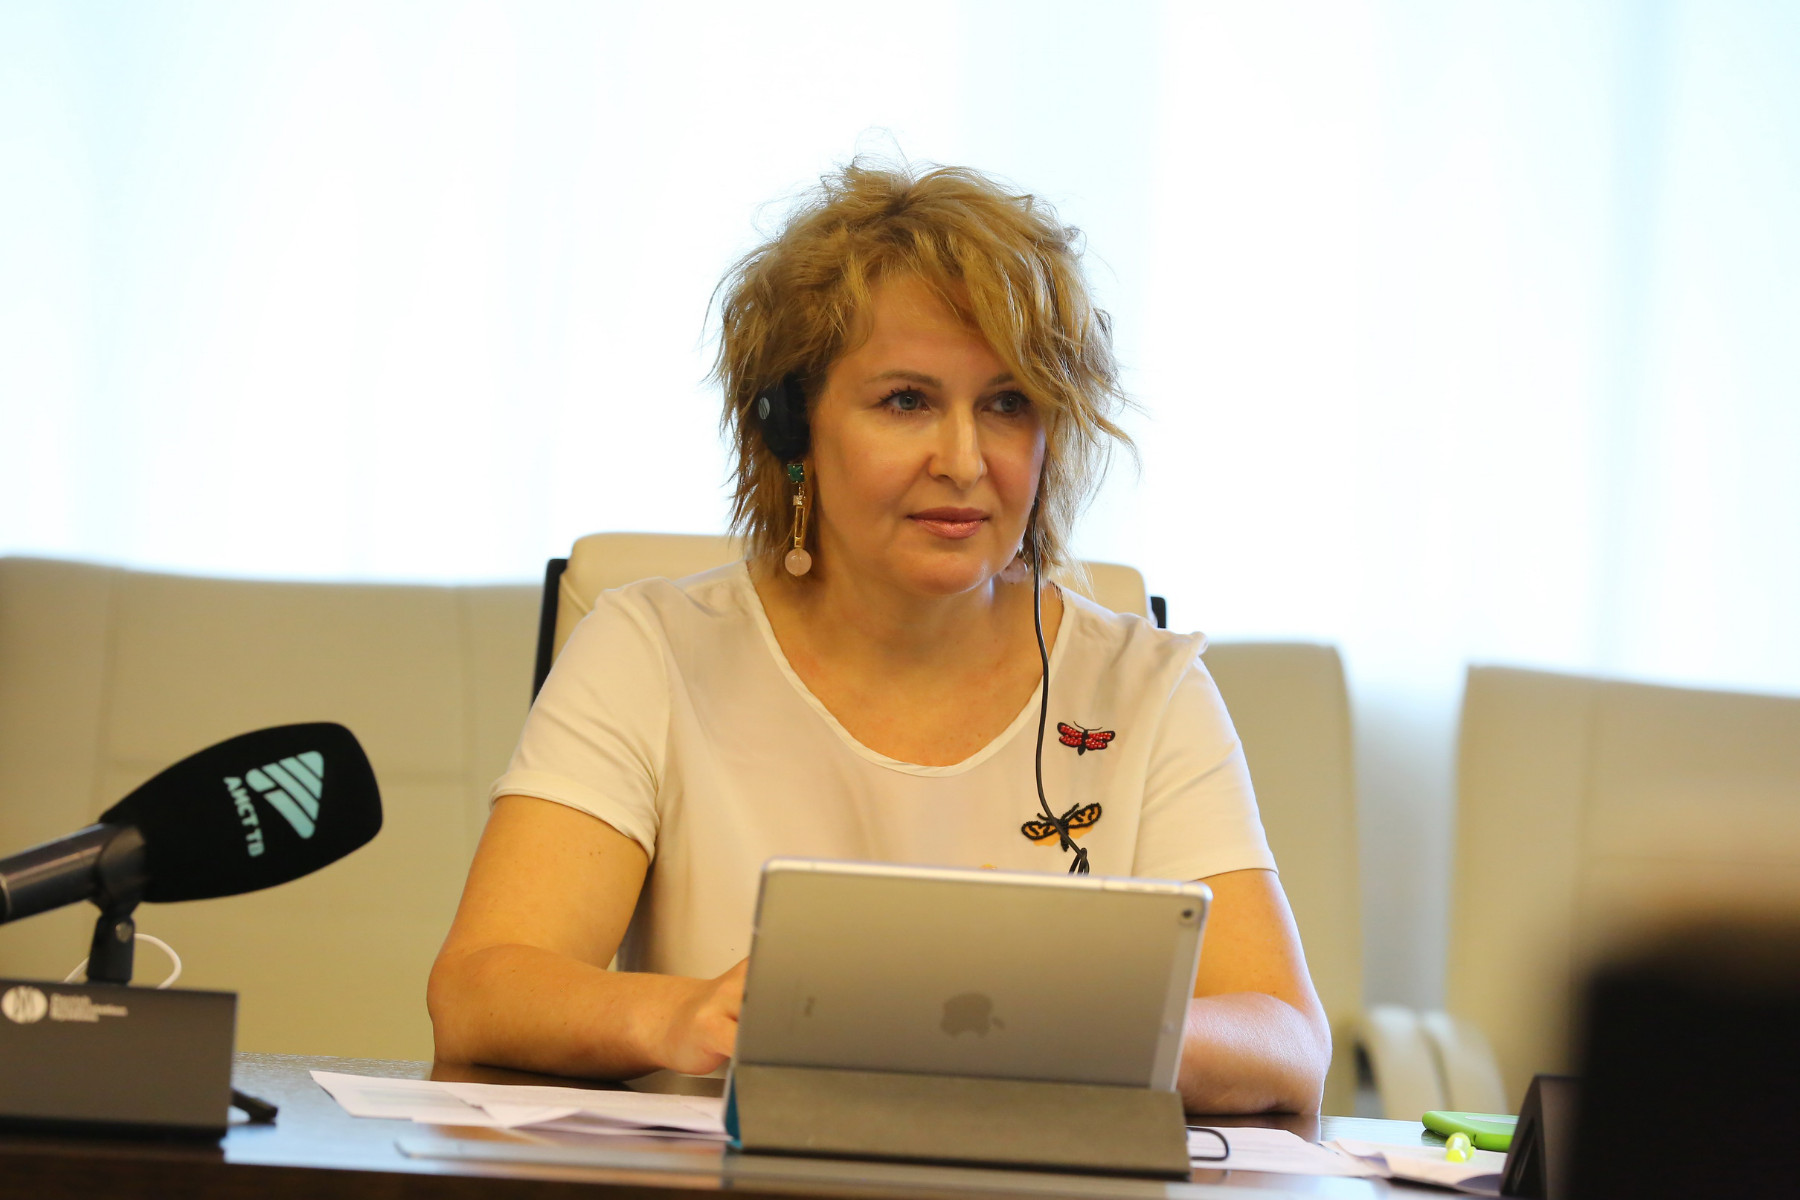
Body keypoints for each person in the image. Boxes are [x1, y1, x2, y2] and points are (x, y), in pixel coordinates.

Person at [427, 161, 1331, 1114]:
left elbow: (1285, 1038)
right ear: (791, 430)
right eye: (907, 401)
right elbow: (480, 992)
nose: (964, 461)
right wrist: (682, 1016)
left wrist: (1083, 1025)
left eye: (1007, 403)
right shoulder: (647, 649)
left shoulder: (1149, 686)